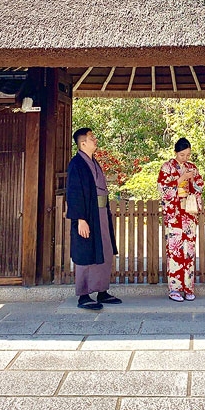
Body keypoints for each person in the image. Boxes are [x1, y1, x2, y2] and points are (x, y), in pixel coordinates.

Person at [66, 128, 122, 309]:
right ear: (83, 143)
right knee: (86, 253)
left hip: (101, 214)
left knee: (104, 250)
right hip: (87, 215)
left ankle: (102, 291)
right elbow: (73, 192)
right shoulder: (77, 163)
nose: (95, 140)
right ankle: (83, 295)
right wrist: (80, 219)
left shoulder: (93, 162)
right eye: (91, 138)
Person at [157, 137, 204, 302]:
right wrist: (180, 180)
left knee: (189, 251)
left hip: (189, 214)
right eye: (182, 155)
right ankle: (174, 289)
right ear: (175, 153)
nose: (185, 158)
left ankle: (189, 288)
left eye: (188, 154)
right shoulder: (167, 167)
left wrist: (192, 180)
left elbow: (200, 187)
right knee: (175, 251)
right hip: (174, 215)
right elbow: (163, 190)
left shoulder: (192, 167)